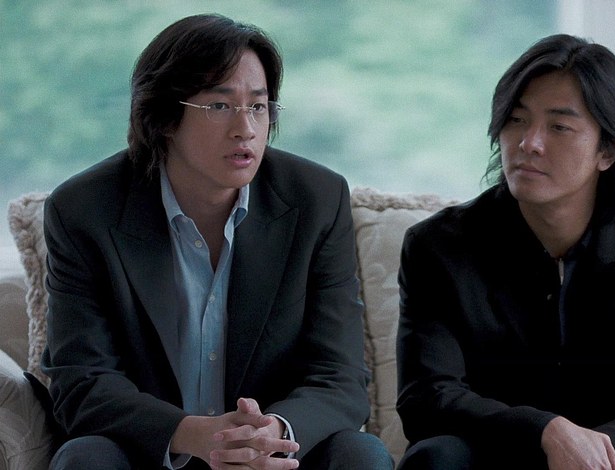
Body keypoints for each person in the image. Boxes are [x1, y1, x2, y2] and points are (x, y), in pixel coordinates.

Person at [40, 13, 392, 470]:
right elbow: (83, 382)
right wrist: (193, 435)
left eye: (259, 107)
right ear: (164, 117)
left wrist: (274, 432)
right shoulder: (84, 210)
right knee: (85, 458)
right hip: (152, 454)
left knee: (361, 454)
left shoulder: (316, 200)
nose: (246, 128)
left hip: (275, 458)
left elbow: (340, 375)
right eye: (220, 106)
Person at [395, 34, 615, 470]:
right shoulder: (438, 246)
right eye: (516, 120)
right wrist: (545, 433)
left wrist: (596, 453)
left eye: (559, 127)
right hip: (501, 454)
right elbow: (426, 395)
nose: (529, 143)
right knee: (436, 457)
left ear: (608, 149)